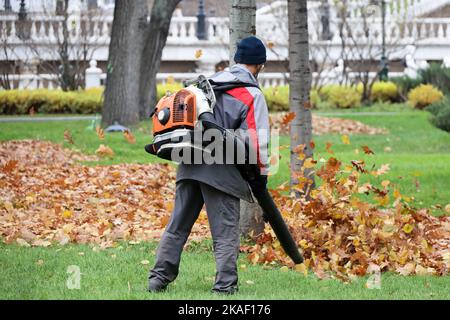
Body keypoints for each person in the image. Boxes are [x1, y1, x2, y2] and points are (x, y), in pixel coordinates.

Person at [148, 36, 270, 295]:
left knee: (177, 226)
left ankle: (157, 280)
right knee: (224, 231)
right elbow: (257, 143)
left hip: (189, 162)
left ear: (236, 60)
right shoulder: (252, 94)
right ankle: (225, 288)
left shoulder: (206, 85)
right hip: (220, 171)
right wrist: (262, 178)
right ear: (259, 65)